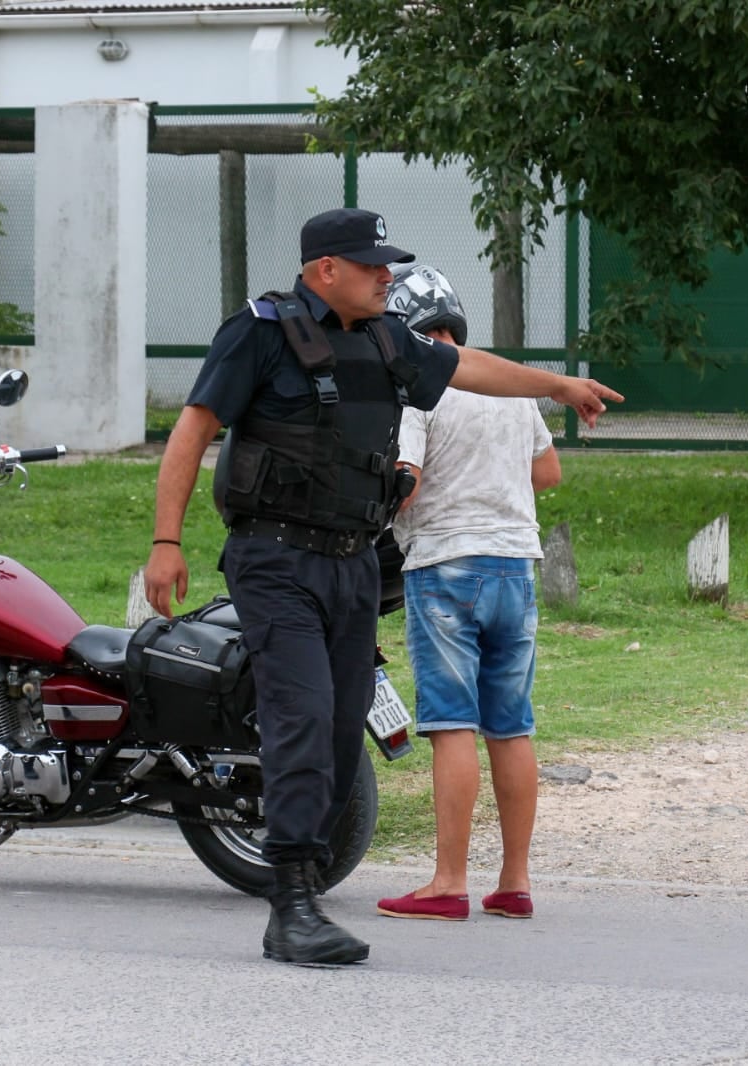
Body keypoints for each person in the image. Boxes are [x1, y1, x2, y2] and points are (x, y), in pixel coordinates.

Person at [144, 208, 619, 966]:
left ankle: (304, 876)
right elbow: (193, 431)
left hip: (353, 562)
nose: (385, 276)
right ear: (324, 269)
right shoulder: (260, 332)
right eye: (370, 266)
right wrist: (166, 542)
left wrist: (558, 386)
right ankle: (290, 905)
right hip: (275, 559)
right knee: (299, 720)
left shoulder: (383, 339)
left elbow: (470, 369)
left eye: (387, 265)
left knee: (337, 733)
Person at [374, 265, 557, 923]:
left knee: (450, 723)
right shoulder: (509, 389)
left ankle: (447, 881)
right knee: (510, 724)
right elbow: (548, 470)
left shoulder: (418, 391)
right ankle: (513, 881)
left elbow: (408, 482)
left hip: (445, 569)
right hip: (515, 569)